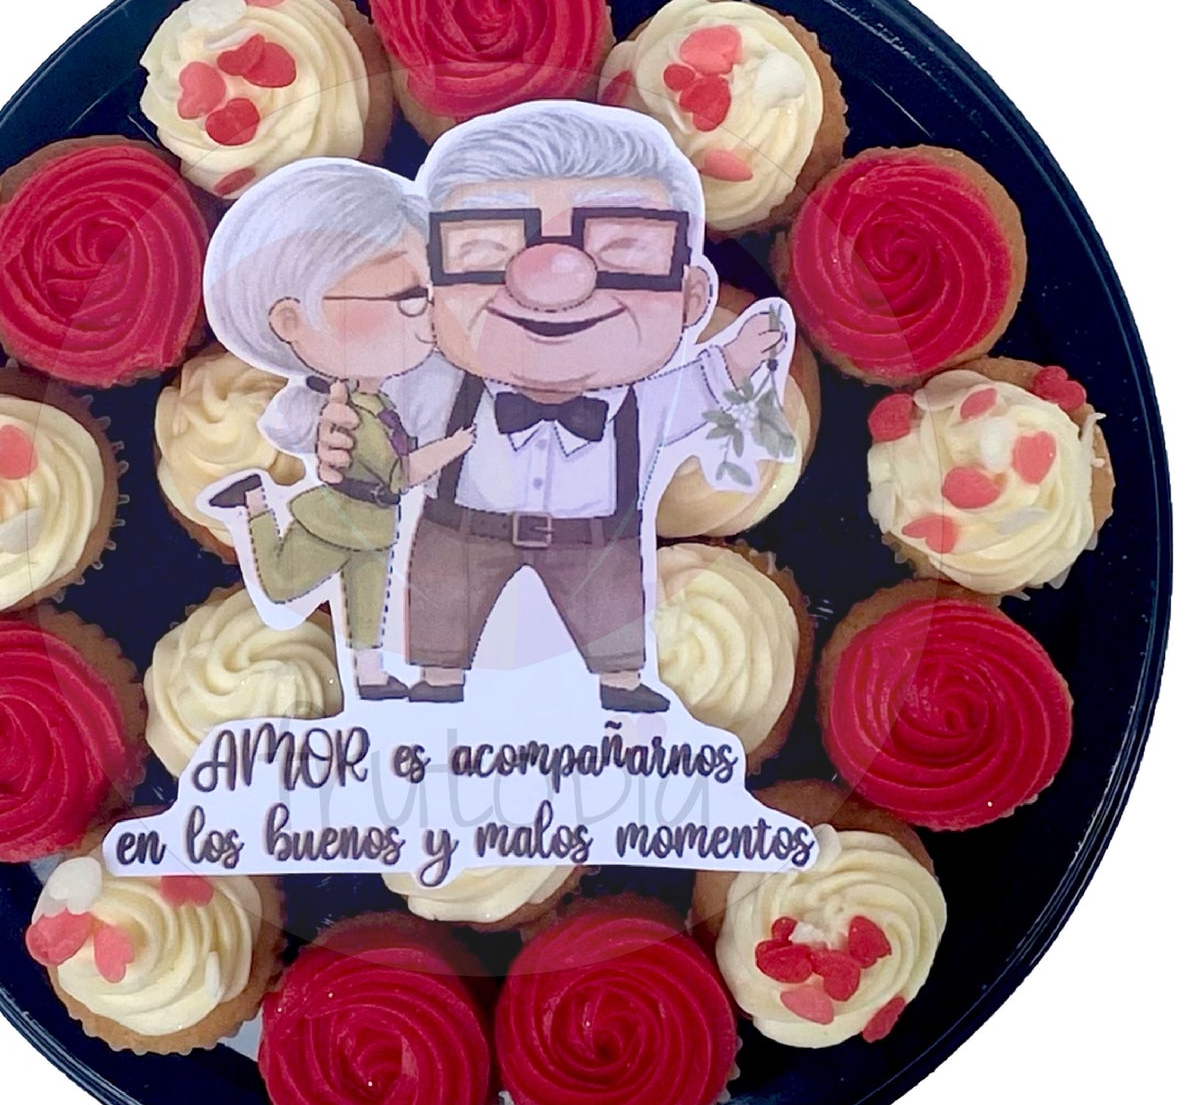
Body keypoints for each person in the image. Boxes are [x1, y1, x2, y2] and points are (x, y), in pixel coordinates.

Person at [315, 101, 786, 711]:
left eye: (620, 249)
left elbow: (694, 390)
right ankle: (437, 679)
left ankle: (620, 684)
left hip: (594, 539)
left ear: (691, 296)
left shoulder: (637, 408)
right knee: (441, 604)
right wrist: (337, 428)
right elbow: (371, 400)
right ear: (428, 288)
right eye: (488, 249)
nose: (551, 280)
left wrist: (737, 357)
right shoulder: (438, 388)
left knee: (610, 609)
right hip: (464, 529)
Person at [199, 158, 475, 700]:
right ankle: (253, 504)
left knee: (369, 601)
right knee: (283, 585)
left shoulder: (392, 394)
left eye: (432, 290)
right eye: (409, 297)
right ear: (289, 322)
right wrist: (456, 445)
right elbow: (399, 471)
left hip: (382, 525)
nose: (430, 313)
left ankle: (370, 674)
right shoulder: (339, 414)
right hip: (338, 519)